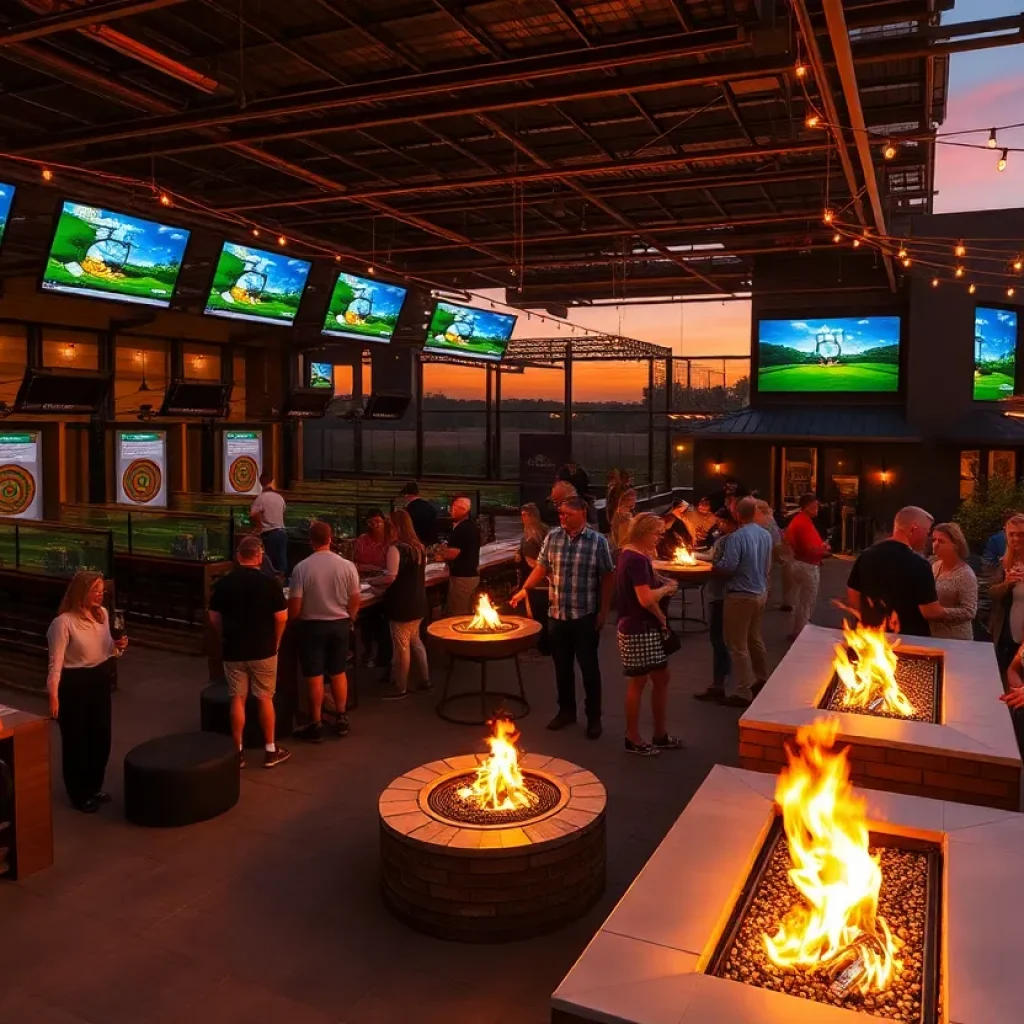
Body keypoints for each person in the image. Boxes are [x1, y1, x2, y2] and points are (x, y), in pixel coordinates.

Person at [511, 495, 614, 739]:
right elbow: (541, 567)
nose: (563, 518)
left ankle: (594, 717)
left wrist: (604, 611)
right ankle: (566, 711)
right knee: (562, 667)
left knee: (589, 668)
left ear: (582, 514)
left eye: (568, 514)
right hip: (557, 614)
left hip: (585, 615)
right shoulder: (553, 537)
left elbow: (608, 576)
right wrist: (525, 589)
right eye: (561, 514)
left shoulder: (597, 541)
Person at [46, 571, 126, 812]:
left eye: (102, 590)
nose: (100, 595)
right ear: (81, 592)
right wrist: (53, 696)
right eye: (95, 590)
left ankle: (94, 786)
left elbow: (107, 650)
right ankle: (79, 794)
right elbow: (55, 663)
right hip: (74, 684)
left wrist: (119, 646)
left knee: (101, 737)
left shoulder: (103, 615)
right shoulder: (63, 623)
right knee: (76, 741)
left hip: (99, 680)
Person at [208, 536, 290, 768]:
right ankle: (270, 750)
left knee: (237, 698)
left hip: (234, 648)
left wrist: (223, 635)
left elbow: (213, 616)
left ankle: (238, 752)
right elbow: (281, 617)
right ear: (259, 555)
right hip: (263, 648)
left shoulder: (224, 583)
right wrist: (276, 641)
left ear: (238, 556)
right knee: (265, 698)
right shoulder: (269, 583)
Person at [615, 513, 682, 755]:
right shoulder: (638, 559)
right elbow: (644, 599)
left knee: (658, 677)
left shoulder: (627, 554)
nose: (659, 538)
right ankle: (633, 737)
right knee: (640, 681)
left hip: (635, 626)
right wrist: (665, 589)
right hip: (639, 629)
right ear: (643, 532)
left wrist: (660, 615)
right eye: (657, 533)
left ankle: (658, 734)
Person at [289, 520, 361, 742]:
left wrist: (294, 620)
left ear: (310, 541)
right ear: (330, 539)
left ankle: (316, 722)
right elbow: (355, 598)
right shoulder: (347, 566)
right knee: (338, 672)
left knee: (315, 676)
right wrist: (350, 618)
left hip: (312, 626)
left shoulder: (302, 568)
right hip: (339, 624)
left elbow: (295, 606)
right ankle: (341, 717)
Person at [846, 506, 946, 637]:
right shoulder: (919, 565)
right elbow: (930, 612)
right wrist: (959, 613)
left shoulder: (866, 556)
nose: (928, 539)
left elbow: (853, 596)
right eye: (927, 532)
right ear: (914, 528)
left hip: (873, 638)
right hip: (910, 639)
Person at [715, 496, 772, 708]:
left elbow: (729, 566)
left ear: (737, 515)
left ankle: (743, 690)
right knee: (754, 637)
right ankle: (762, 678)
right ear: (755, 512)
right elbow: (767, 565)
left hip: (740, 595)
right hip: (760, 592)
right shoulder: (765, 535)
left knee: (737, 643)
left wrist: (713, 567)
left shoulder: (736, 538)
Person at [379, 509, 430, 700]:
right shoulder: (419, 547)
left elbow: (391, 577)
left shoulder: (396, 549)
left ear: (395, 527)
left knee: (401, 647)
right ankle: (425, 680)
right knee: (415, 641)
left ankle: (401, 688)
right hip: (418, 602)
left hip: (401, 604)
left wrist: (374, 582)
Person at [694, 509, 738, 702]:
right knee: (727, 639)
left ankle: (719, 683)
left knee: (718, 639)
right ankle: (727, 676)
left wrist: (704, 567)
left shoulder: (727, 541)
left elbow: (722, 566)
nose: (718, 526)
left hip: (720, 594)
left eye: (721, 522)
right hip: (734, 594)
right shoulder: (743, 538)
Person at [783, 493, 830, 639]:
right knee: (806, 600)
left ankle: (799, 628)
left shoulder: (801, 521)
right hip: (807, 565)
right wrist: (824, 551)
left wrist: (821, 548)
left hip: (800, 563)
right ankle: (801, 632)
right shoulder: (803, 523)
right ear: (806, 507)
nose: (816, 509)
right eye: (813, 506)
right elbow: (810, 549)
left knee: (801, 600)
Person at [988, 513, 1024, 673]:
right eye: (1012, 534)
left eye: (1021, 534)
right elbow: (991, 593)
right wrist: (1007, 584)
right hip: (1005, 635)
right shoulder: (1003, 563)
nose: (1016, 538)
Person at [929, 522, 978, 642]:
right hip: (933, 635)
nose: (935, 544)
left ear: (955, 545)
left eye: (941, 541)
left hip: (955, 638)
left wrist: (940, 612)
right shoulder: (934, 565)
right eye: (934, 540)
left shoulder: (965, 574)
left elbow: (969, 611)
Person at [517, 503, 551, 655]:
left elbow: (534, 563)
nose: (522, 518)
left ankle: (542, 646)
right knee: (546, 614)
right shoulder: (546, 531)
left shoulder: (531, 537)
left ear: (531, 516)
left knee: (537, 615)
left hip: (536, 580)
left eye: (524, 515)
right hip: (547, 580)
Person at [439, 496, 480, 615]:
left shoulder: (461, 529)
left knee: (459, 613)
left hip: (462, 578)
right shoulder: (471, 526)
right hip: (470, 576)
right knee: (466, 610)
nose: (451, 511)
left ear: (463, 510)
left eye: (454, 508)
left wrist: (439, 552)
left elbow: (452, 554)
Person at [250, 472, 288, 575]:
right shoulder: (280, 498)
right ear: (272, 481)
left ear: (260, 482)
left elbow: (253, 514)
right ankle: (282, 581)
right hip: (282, 533)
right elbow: (283, 512)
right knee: (282, 563)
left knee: (270, 565)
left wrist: (259, 526)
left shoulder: (261, 498)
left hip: (270, 534)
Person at [400, 481, 439, 546]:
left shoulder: (407, 510)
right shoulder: (430, 506)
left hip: (416, 544)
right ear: (418, 493)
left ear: (406, 496)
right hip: (431, 544)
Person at [609, 488, 637, 556]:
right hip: (623, 547)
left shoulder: (623, 510)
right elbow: (625, 536)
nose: (635, 501)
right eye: (633, 499)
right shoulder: (624, 513)